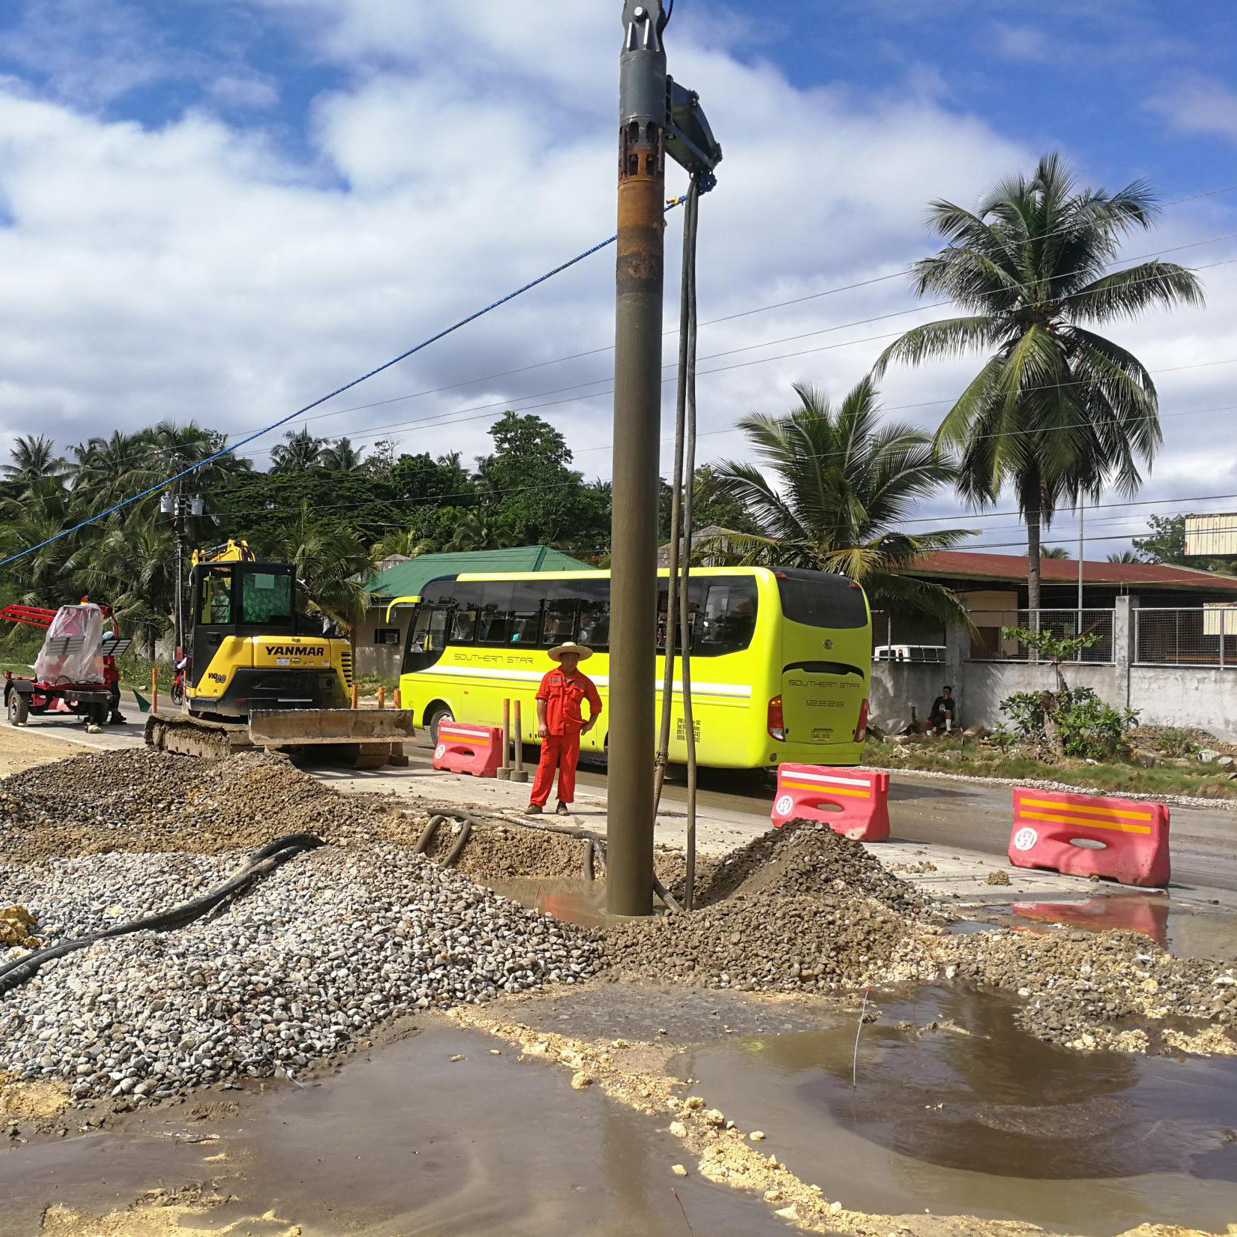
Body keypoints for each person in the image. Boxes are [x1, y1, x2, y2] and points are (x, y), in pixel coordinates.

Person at [527, 641, 602, 816]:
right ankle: (536, 803)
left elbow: (596, 705)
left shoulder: (584, 681)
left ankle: (563, 804)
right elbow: (541, 701)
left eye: (574, 659)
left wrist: (590, 724)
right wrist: (542, 723)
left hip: (571, 732)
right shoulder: (549, 677)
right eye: (567, 658)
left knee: (568, 768)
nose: (570, 662)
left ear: (578, 660)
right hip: (551, 731)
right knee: (545, 766)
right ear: (560, 659)